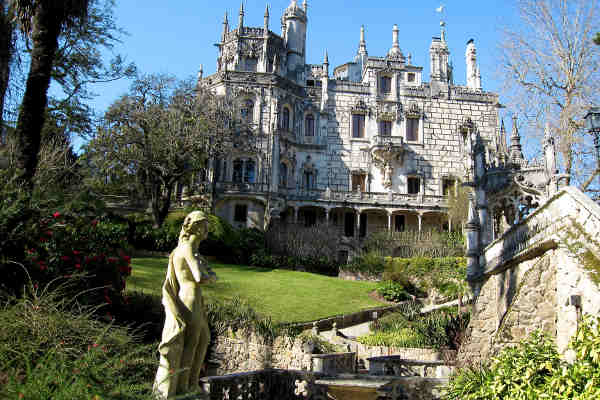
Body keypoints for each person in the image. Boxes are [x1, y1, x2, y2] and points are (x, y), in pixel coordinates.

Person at [154, 211, 217, 399]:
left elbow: (205, 272)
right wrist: (211, 276)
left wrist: (208, 272)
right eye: (205, 225)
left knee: (203, 339)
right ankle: (184, 387)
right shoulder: (188, 247)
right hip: (189, 297)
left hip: (195, 297)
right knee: (192, 343)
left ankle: (191, 382)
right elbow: (200, 276)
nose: (207, 230)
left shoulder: (193, 249)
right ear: (196, 227)